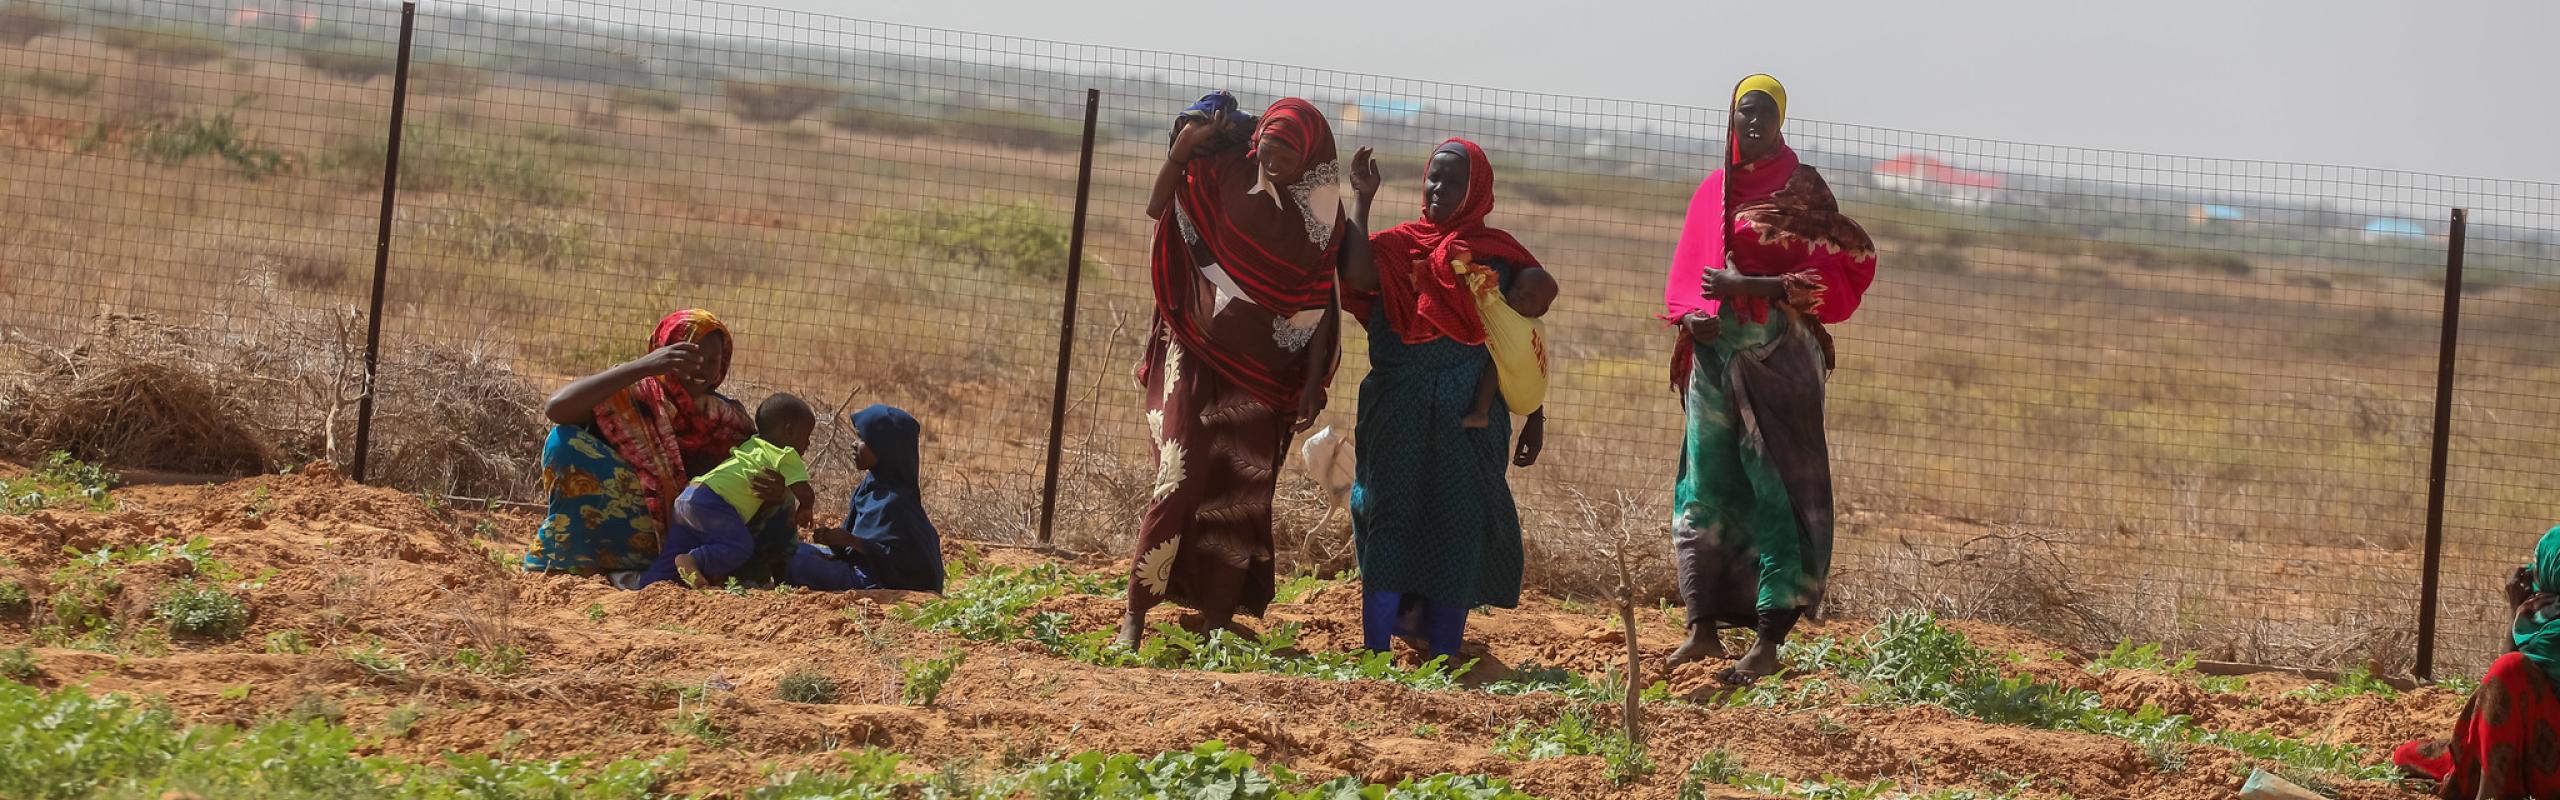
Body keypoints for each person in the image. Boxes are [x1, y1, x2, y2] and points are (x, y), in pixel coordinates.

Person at [1659, 75, 1877, 684]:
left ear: (1781, 121)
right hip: (1713, 361)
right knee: (1705, 485)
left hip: (1781, 360)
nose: (1750, 123)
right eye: (1742, 113)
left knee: (1779, 487)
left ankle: (1768, 640)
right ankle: (1701, 629)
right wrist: (1693, 317)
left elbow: (1835, 273)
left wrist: (1749, 286)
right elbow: (1687, 275)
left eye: (1762, 114)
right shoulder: (1713, 190)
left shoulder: (1801, 191)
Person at [1120, 92, 1355, 649]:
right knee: (1179, 476)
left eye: (1286, 155)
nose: (1272, 162)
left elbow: (1318, 306)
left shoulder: (1323, 214)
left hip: (1266, 371)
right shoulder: (1223, 172)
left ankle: (1218, 618)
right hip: (1195, 347)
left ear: (1310, 156)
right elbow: (1158, 208)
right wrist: (1182, 151)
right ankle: (1135, 614)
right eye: (1266, 148)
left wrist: (1312, 382)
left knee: (1242, 490)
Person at [1339, 137, 1551, 660]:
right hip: (1398, 406)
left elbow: (1519, 340)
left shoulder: (1500, 257)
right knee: (1388, 514)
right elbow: (1356, 274)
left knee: (1459, 522)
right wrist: (1362, 198)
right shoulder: (1398, 246)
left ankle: (1443, 648)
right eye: (1434, 177)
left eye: (1453, 182)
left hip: (1469, 415)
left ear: (1476, 191)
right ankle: (1375, 648)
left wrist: (1535, 412)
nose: (1438, 188)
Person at [525, 310, 795, 587]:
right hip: (627, 537)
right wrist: (642, 367)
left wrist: (776, 489)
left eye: (713, 360)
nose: (701, 368)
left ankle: (770, 572)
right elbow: (556, 408)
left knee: (782, 492)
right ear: (663, 354)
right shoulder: (630, 396)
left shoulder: (727, 419)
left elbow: (757, 471)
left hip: (697, 540)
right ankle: (590, 561)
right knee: (565, 440)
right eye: (688, 357)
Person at [2393, 525, 2560, 798]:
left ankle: (2489, 792)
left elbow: (2502, 689)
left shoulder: (2551, 633)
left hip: (2549, 769)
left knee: (2508, 670)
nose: (2531, 572)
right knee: (2409, 754)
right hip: (2542, 748)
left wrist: (2514, 612)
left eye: (2538, 564)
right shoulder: (2545, 622)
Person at [638, 394, 817, 589]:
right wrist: (806, 506)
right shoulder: (786, 455)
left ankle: (645, 588)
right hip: (714, 503)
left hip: (690, 495)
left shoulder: (753, 444)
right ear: (789, 431)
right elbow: (804, 492)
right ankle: (694, 561)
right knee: (739, 545)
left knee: (673, 554)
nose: (808, 444)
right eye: (806, 436)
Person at [783, 405, 946, 593]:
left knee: (797, 561)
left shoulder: (896, 502)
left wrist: (853, 542)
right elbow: (854, 544)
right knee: (794, 550)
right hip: (858, 566)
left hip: (875, 579)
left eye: (863, 439)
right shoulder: (870, 486)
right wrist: (834, 540)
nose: (854, 444)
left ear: (885, 449)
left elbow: (907, 564)